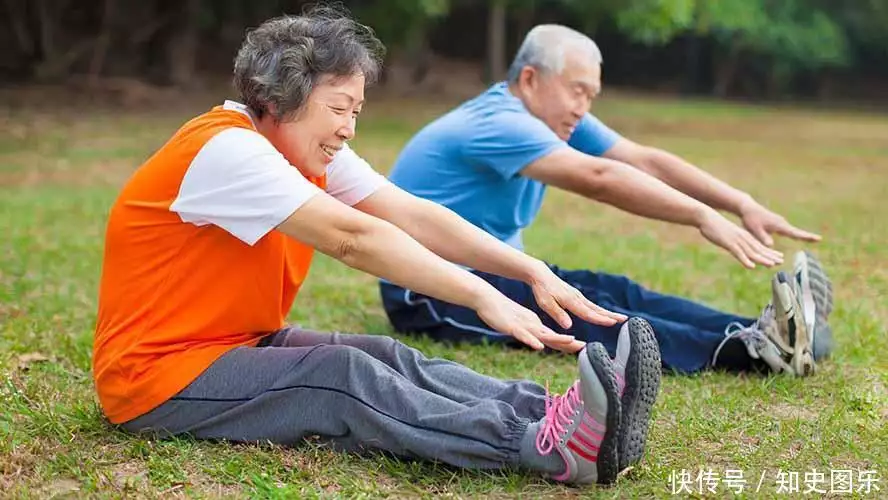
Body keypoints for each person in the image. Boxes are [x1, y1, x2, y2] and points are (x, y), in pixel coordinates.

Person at [92, 9, 663, 486]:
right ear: (283, 97)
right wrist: (479, 294)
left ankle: (560, 413)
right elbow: (353, 238)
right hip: (157, 379)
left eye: (356, 112)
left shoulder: (305, 149)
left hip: (232, 342)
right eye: (338, 108)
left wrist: (528, 268)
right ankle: (546, 447)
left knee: (386, 356)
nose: (348, 128)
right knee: (340, 375)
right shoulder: (227, 151)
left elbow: (410, 212)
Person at [380, 24, 834, 377]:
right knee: (589, 311)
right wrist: (699, 215)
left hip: (496, 270)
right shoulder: (499, 122)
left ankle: (769, 329)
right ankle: (746, 351)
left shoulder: (555, 117)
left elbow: (643, 160)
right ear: (531, 79)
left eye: (591, 96)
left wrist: (740, 202)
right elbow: (598, 177)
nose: (583, 107)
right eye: (576, 90)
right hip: (429, 291)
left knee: (615, 291)